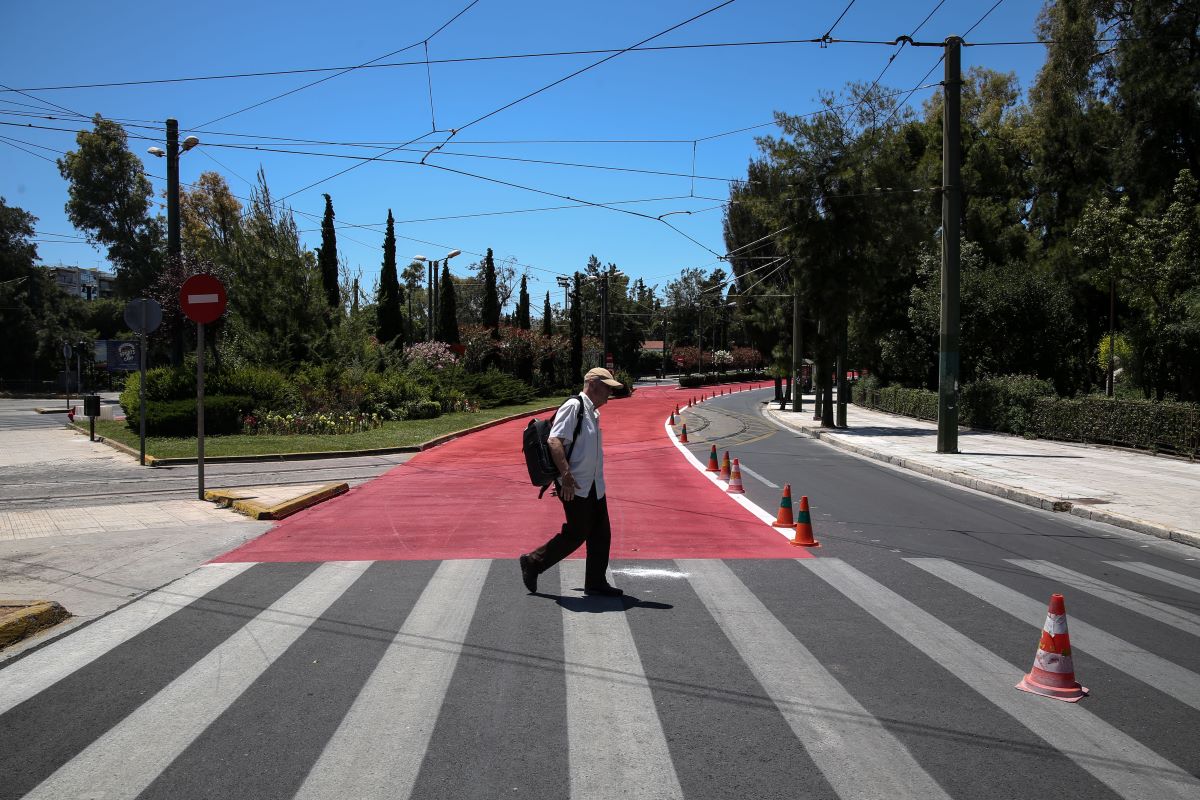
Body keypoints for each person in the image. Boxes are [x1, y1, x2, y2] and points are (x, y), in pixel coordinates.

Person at [519, 367, 624, 597]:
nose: (610, 392)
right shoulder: (574, 406)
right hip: (574, 485)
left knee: (601, 533)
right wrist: (565, 476)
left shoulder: (592, 412)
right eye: (607, 387)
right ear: (593, 384)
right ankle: (533, 562)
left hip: (594, 484)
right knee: (577, 533)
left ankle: (595, 582)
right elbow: (554, 441)